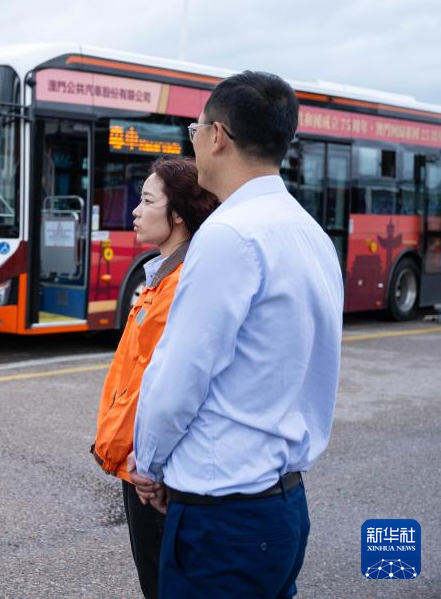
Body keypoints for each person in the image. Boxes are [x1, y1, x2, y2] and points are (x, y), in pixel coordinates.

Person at [131, 71, 344, 597]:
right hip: (282, 505)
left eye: (195, 130)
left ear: (218, 136)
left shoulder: (228, 234)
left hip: (222, 518)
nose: (194, 141)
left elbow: (178, 377)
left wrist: (149, 465)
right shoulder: (311, 233)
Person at [91, 157, 218, 599]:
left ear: (178, 215)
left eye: (147, 201)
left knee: (163, 585)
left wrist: (148, 464)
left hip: (152, 475)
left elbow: (169, 388)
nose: (135, 210)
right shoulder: (159, 277)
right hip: (138, 464)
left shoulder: (181, 284)